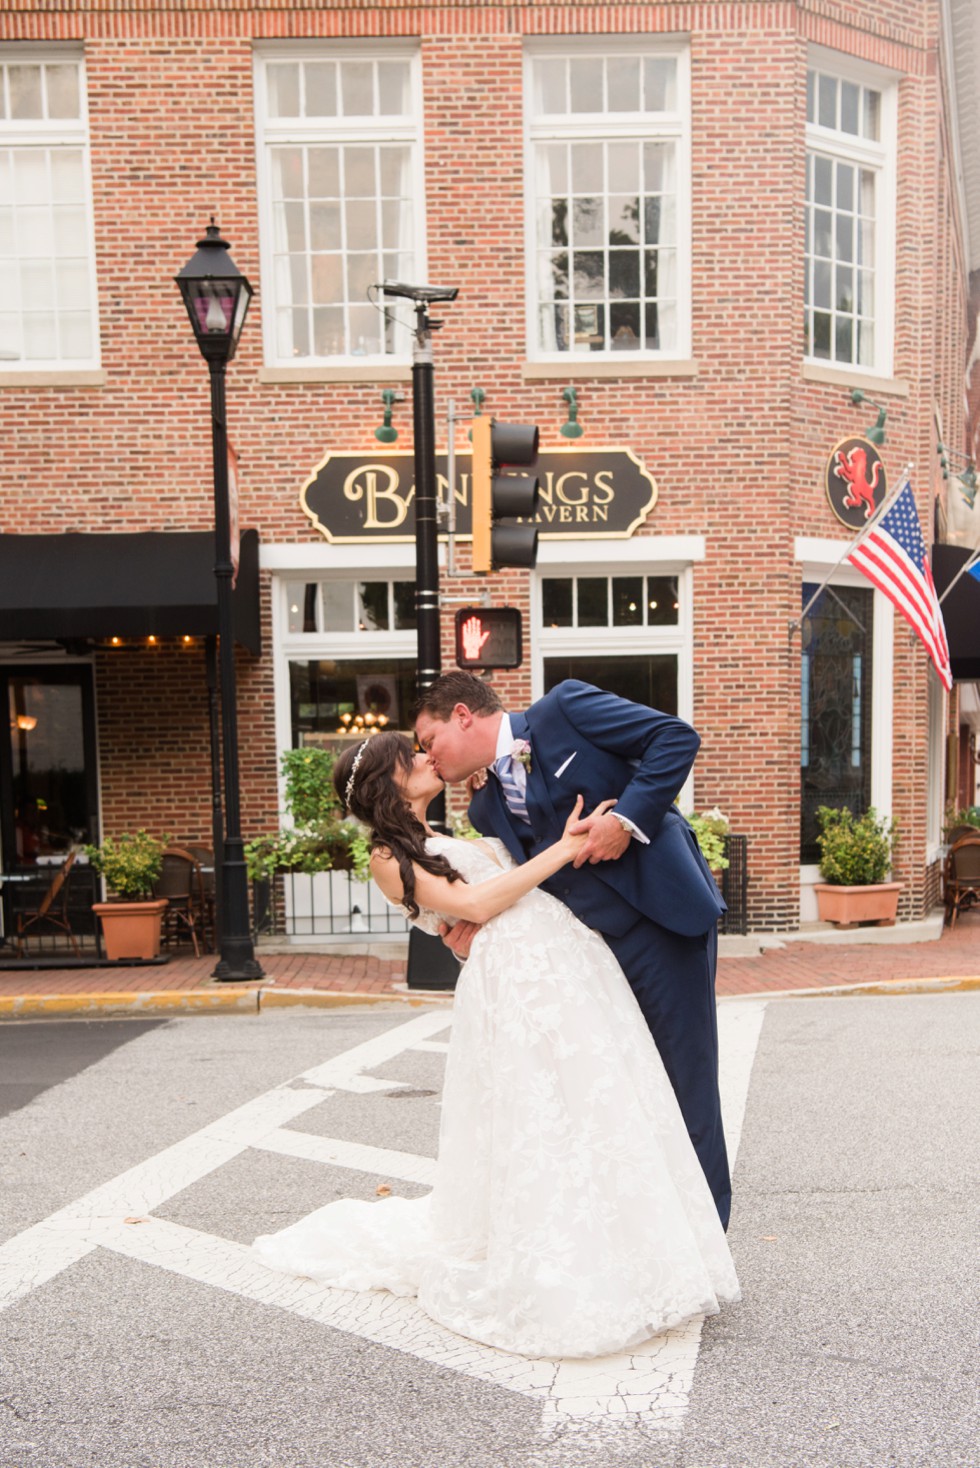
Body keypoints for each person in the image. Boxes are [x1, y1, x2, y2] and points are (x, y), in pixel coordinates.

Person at [253, 731, 739, 1360]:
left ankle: (626, 1242)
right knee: (542, 1117)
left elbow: (483, 901)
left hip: (556, 963)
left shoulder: (443, 831)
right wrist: (563, 848)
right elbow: (477, 901)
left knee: (598, 1105)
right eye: (414, 756)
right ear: (389, 782)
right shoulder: (384, 855)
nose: (429, 757)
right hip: (516, 981)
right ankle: (561, 1260)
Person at [414, 673, 732, 1229]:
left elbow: (675, 738)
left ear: (462, 715)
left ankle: (708, 1235)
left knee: (686, 1080)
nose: (428, 757)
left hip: (660, 922)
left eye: (428, 740)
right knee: (632, 1092)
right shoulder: (484, 810)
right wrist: (469, 931)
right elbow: (524, 885)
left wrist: (624, 821)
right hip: (587, 956)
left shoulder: (565, 710)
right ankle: (658, 1235)